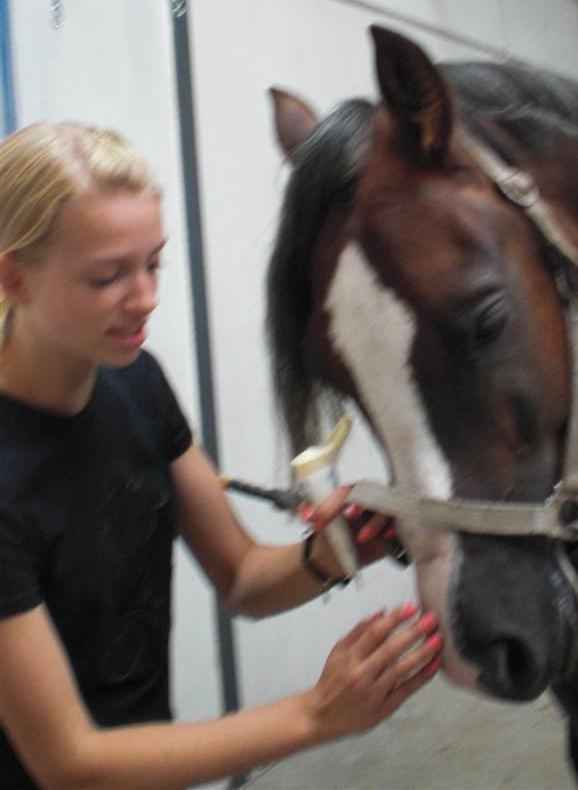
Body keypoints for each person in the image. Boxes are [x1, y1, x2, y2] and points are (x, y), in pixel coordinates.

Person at [0, 122, 441, 790]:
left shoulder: (136, 383)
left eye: (153, 263)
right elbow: (69, 764)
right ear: (13, 277)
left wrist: (331, 553)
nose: (145, 298)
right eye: (107, 277)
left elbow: (241, 578)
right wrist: (318, 715)